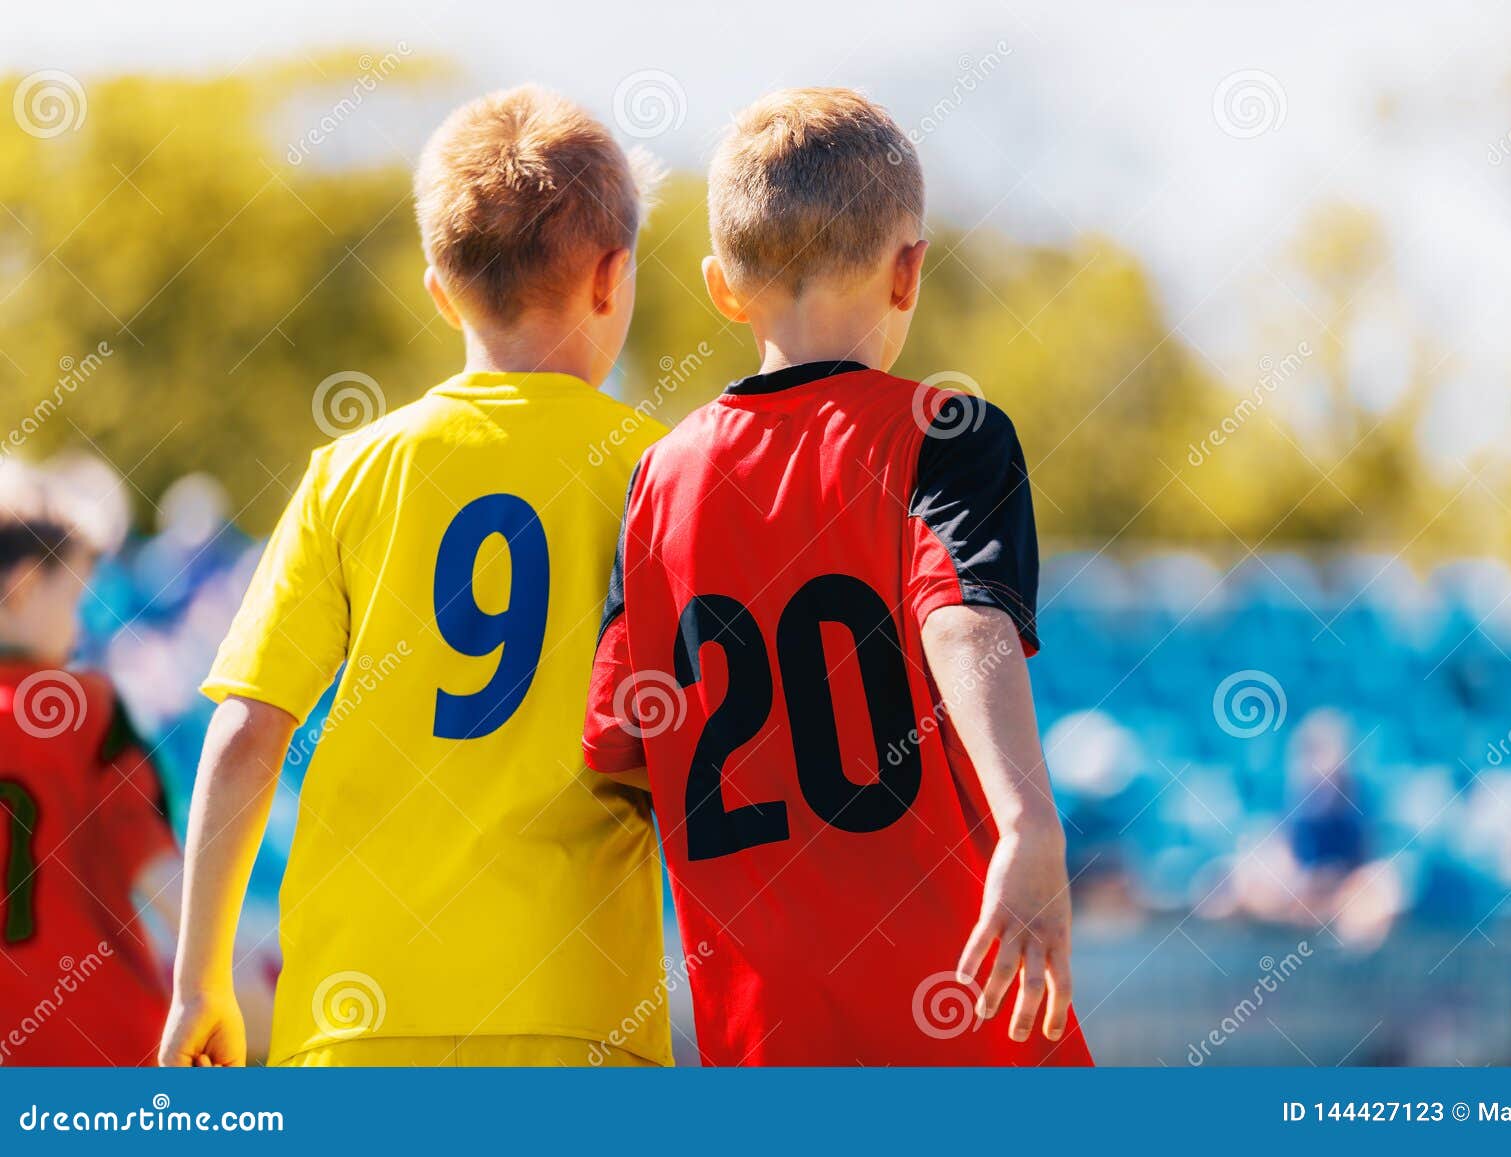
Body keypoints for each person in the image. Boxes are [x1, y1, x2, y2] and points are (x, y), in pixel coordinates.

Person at [160, 85, 671, 1067]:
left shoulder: (349, 472)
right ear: (613, 277)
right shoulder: (661, 473)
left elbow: (244, 730)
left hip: (359, 1013)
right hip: (577, 1008)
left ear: (440, 290)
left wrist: (201, 978)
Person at [584, 88, 1093, 1065]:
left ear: (721, 289)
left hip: (763, 1038)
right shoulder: (946, 435)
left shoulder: (658, 478)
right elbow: (961, 619)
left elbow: (618, 742)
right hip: (960, 1015)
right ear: (910, 272)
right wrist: (1027, 817)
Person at [0, 468, 181, 1065]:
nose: (80, 626)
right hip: (104, 1049)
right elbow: (164, 883)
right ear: (23, 588)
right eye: (74, 597)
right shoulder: (87, 712)